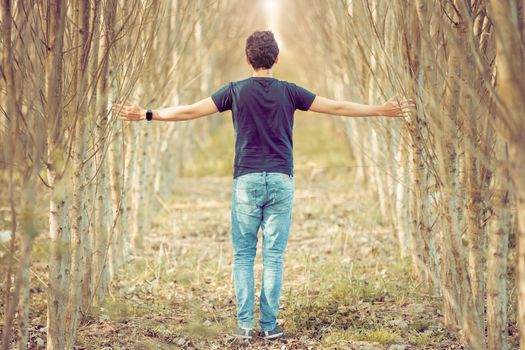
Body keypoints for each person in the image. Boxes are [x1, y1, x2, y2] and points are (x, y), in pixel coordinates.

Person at [114, 30, 410, 341]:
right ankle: (269, 326)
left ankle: (244, 326)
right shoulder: (290, 92)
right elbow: (337, 107)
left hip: (246, 181)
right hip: (281, 180)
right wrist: (380, 109)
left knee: (243, 255)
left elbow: (190, 111)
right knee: (273, 255)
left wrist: (147, 114)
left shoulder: (235, 91)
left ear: (247, 59)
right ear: (277, 58)